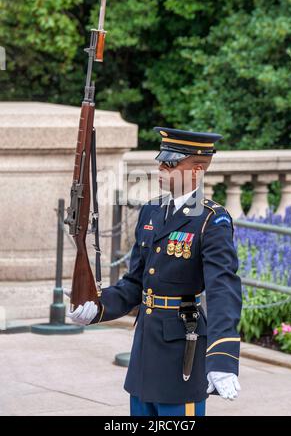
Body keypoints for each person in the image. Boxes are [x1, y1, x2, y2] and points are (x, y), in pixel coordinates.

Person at [67, 127, 242, 417]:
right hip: (145, 352)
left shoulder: (212, 221)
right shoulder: (152, 212)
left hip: (180, 352)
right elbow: (135, 283)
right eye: (161, 160)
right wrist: (96, 307)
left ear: (197, 171)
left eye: (171, 163)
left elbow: (224, 289)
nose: (161, 167)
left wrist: (222, 357)